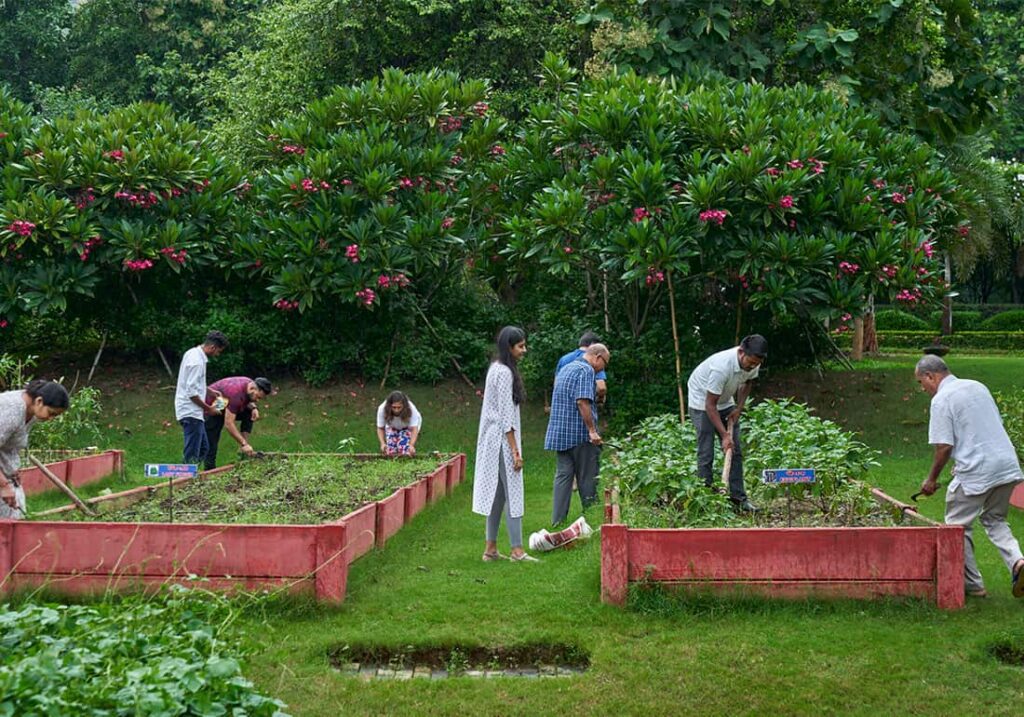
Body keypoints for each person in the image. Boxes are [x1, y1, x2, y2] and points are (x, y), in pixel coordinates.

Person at [916, 355, 1024, 599]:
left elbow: (943, 446)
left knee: (957, 527)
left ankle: (973, 585)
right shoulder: (977, 386)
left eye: (921, 382)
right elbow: (980, 429)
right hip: (1006, 464)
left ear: (931, 376)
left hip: (978, 469)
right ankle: (1018, 562)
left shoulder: (942, 400)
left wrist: (931, 479)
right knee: (995, 519)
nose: (922, 388)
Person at [472, 326, 537, 562]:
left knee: (497, 494)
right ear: (509, 347)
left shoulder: (496, 369)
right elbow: (506, 416)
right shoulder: (504, 373)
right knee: (513, 493)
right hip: (501, 440)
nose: (524, 350)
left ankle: (490, 549)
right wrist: (515, 451)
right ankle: (517, 550)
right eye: (520, 346)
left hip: (493, 438)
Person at [687, 334, 767, 513]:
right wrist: (724, 435)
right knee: (706, 450)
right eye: (750, 362)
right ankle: (705, 499)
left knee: (735, 450)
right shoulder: (721, 367)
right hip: (702, 402)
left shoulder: (754, 362)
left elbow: (748, 383)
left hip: (725, 400)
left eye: (756, 364)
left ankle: (739, 499)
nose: (752, 366)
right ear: (741, 352)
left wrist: (739, 408)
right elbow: (710, 405)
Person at [545, 343, 610, 525]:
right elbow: (582, 402)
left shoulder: (567, 368)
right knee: (588, 476)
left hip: (560, 433)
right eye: (605, 363)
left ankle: (558, 521)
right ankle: (592, 518)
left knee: (563, 477)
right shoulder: (586, 370)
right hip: (578, 434)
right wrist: (592, 431)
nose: (603, 368)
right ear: (597, 357)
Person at [0, 380, 70, 520]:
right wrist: (3, 484)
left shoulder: (30, 412)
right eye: (51, 413)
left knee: (16, 526)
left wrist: (12, 468)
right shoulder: (11, 409)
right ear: (39, 401)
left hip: (6, 476)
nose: (51, 419)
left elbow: (8, 444)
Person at [174, 330, 228, 465]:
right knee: (192, 452)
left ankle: (192, 476)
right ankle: (185, 479)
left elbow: (193, 383)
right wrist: (209, 408)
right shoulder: (197, 362)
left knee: (204, 448)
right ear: (213, 347)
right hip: (190, 411)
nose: (217, 355)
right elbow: (191, 392)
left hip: (193, 412)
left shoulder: (192, 353)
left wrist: (210, 391)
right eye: (218, 351)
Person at [203, 376, 272, 469]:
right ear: (252, 388)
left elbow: (246, 399)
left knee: (249, 412)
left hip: (224, 400)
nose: (257, 400)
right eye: (258, 397)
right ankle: (209, 470)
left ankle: (243, 451)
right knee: (212, 441)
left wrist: (254, 408)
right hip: (211, 407)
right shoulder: (236, 395)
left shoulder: (249, 384)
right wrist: (244, 444)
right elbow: (229, 424)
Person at [555, 331, 608, 403]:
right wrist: (600, 398)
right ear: (593, 345)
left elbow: (556, 385)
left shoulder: (563, 359)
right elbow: (601, 387)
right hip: (584, 407)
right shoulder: (593, 360)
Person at [376, 391, 422, 456]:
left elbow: (414, 428)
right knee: (390, 451)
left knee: (404, 449)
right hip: (391, 425)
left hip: (408, 426)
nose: (396, 410)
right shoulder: (382, 409)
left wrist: (411, 445)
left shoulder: (411, 408)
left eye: (399, 407)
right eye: (394, 407)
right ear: (389, 406)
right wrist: (382, 443)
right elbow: (380, 428)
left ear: (404, 406)